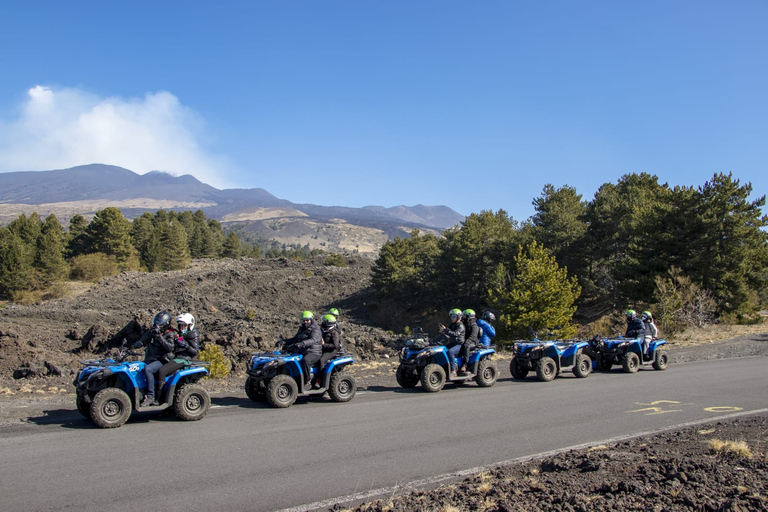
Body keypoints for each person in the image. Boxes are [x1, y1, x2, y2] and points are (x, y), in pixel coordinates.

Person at [154, 313, 200, 400]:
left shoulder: (193, 334)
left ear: (190, 325)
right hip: (175, 357)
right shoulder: (180, 333)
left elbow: (194, 351)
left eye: (184, 325)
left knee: (162, 371)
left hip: (183, 359)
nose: (182, 327)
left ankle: (160, 397)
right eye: (180, 325)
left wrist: (185, 345)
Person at [134, 311, 175, 407]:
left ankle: (150, 396)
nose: (157, 324)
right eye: (156, 322)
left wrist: (159, 337)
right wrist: (136, 344)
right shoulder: (153, 332)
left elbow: (170, 347)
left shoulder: (170, 334)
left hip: (161, 360)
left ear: (166, 324)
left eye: (160, 322)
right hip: (150, 358)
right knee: (137, 368)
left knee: (148, 369)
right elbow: (143, 339)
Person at [282, 311, 322, 390]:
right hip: (303, 351)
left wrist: (301, 344)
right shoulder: (302, 329)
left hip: (314, 352)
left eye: (307, 320)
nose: (305, 322)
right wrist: (284, 341)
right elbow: (294, 339)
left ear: (311, 320)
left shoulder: (316, 329)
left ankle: (307, 381)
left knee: (305, 361)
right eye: (303, 320)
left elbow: (313, 340)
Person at [438, 308, 465, 378]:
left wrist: (446, 330)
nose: (452, 318)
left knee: (450, 352)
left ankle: (453, 371)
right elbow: (448, 334)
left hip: (459, 344)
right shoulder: (452, 325)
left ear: (458, 317)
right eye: (451, 317)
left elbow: (455, 334)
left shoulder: (460, 326)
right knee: (442, 349)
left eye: (453, 316)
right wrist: (442, 331)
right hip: (453, 343)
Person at [316, 314, 341, 388]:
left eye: (323, 322)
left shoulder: (334, 333)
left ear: (328, 323)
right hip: (323, 349)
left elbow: (335, 346)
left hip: (332, 351)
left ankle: (320, 379)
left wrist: (324, 345)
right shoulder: (323, 330)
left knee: (321, 360)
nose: (322, 323)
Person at [460, 309, 479, 373]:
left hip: (473, 342)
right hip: (465, 341)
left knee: (466, 346)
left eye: (464, 316)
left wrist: (467, 342)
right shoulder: (464, 324)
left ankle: (465, 364)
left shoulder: (474, 326)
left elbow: (473, 336)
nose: (463, 317)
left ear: (469, 316)